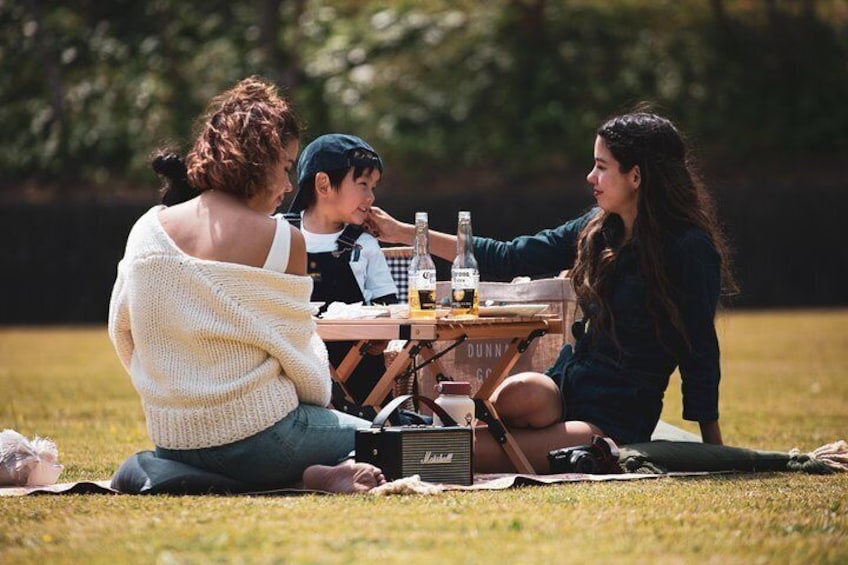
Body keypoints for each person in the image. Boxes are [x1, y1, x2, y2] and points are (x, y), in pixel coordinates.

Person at [367, 111, 736, 473]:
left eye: (602, 166)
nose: (591, 177)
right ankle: (456, 434)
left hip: (615, 414)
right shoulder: (597, 228)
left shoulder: (688, 248)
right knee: (518, 392)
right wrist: (404, 233)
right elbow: (509, 257)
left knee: (460, 452)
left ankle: (409, 445)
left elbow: (698, 346)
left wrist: (713, 446)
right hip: (568, 385)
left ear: (636, 175)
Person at [107, 76, 385, 493]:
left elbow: (122, 334)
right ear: (259, 160)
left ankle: (307, 475)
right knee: (398, 440)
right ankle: (312, 469)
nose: (291, 186)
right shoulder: (281, 238)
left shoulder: (146, 230)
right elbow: (306, 369)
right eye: (287, 167)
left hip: (174, 441)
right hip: (266, 439)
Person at [287, 134, 398, 408]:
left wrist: (380, 338)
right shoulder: (280, 234)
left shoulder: (364, 244)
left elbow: (390, 310)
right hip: (295, 375)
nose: (370, 196)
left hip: (362, 381)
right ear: (323, 184)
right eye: (362, 184)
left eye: (373, 187)